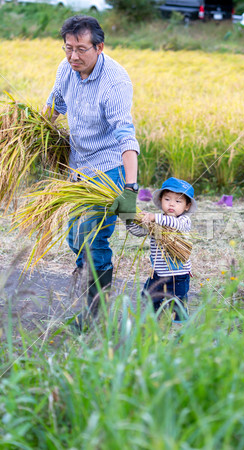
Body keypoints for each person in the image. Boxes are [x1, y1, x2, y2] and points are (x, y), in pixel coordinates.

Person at [43, 15, 140, 329]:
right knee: (75, 238)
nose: (73, 56)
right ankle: (90, 277)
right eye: (68, 48)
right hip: (78, 168)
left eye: (81, 49)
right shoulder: (66, 69)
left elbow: (127, 137)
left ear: (99, 47)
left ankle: (93, 315)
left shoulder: (115, 81)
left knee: (93, 240)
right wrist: (36, 136)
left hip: (108, 169)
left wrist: (130, 190)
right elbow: (55, 106)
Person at [127, 177, 197, 322]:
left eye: (178, 201)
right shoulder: (156, 221)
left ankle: (180, 329)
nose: (172, 204)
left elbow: (173, 223)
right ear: (160, 200)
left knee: (177, 305)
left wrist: (153, 217)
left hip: (178, 276)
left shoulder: (183, 221)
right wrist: (129, 218)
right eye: (167, 199)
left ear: (187, 206)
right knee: (148, 299)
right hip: (158, 274)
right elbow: (139, 232)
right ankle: (154, 324)